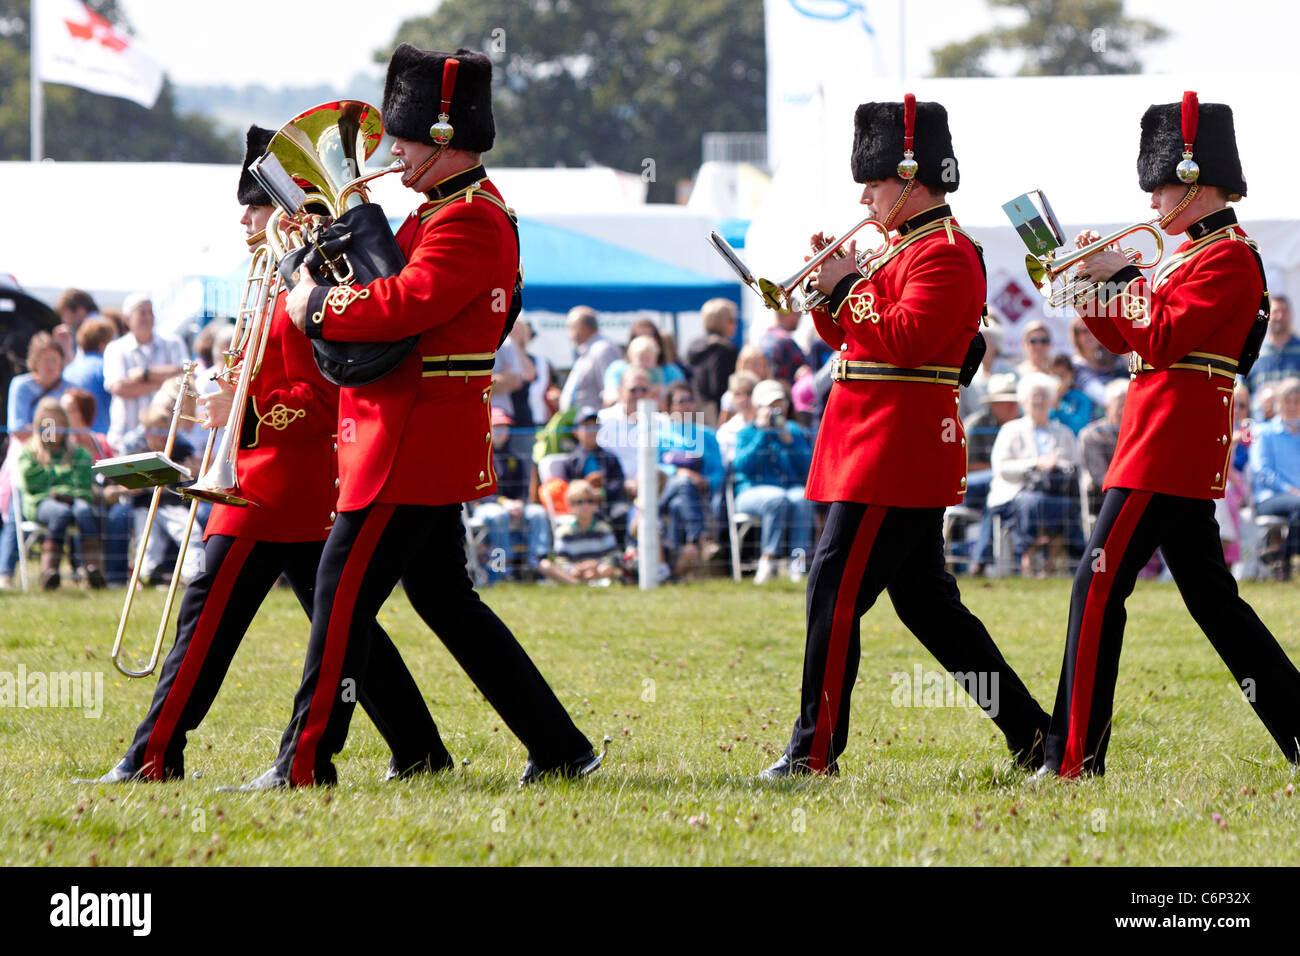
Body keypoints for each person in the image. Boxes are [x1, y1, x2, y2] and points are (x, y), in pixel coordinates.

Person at [263, 45, 600, 789]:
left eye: (407, 141)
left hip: (413, 436)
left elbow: (405, 305)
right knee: (447, 601)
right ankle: (557, 745)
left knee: (340, 593)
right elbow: (388, 282)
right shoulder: (438, 215)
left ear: (444, 138)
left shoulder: (471, 220)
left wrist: (313, 302)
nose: (394, 154)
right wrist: (316, 252)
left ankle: (304, 762)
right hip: (411, 431)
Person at [83, 125, 452, 785]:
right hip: (281, 483)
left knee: (205, 623)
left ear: (288, 207)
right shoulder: (277, 278)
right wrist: (233, 393)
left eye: (255, 207)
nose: (246, 221)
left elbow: (325, 393)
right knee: (343, 631)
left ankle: (154, 756)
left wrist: (245, 411)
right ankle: (419, 749)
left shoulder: (316, 281)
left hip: (272, 488)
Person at [760, 95, 1050, 778]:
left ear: (912, 178)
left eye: (875, 180)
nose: (864, 194)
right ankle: (1034, 732)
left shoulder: (946, 253)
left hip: (894, 450)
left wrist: (849, 285)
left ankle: (813, 752)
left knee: (832, 592)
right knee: (929, 609)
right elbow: (858, 340)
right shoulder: (903, 248)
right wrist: (830, 296)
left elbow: (907, 341)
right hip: (870, 443)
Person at [1035, 93, 1300, 780]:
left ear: (1194, 178)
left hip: (1168, 446)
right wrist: (1090, 288)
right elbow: (1125, 342)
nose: (1152, 201)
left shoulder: (1230, 258)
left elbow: (1161, 335)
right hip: (1156, 437)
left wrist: (1120, 277)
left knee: (1094, 589)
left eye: (1159, 186)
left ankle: (1074, 758)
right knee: (1216, 605)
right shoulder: (1185, 257)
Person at [986, 372, 1085, 576]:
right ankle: (1027, 561)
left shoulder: (1063, 432)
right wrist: (1034, 465)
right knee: (1030, 503)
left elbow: (1076, 465)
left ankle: (1050, 566)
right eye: (1034, 395)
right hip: (1016, 492)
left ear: (1051, 400)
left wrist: (1057, 465)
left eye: (1043, 395)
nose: (1038, 400)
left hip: (1055, 491)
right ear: (1023, 400)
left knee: (1065, 506)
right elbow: (1001, 468)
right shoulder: (1010, 430)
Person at [15, 397, 103, 589]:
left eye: (58, 424)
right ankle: (49, 573)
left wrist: (57, 484)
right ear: (39, 426)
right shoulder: (29, 452)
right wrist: (61, 482)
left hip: (76, 500)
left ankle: (93, 570)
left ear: (65, 425)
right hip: (41, 502)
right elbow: (32, 482)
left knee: (84, 512)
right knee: (60, 513)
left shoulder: (79, 453)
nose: (53, 430)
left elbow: (83, 483)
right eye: (48, 424)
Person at [733, 378, 814, 584]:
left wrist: (790, 443)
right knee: (776, 499)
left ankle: (798, 562)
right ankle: (767, 561)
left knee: (802, 499)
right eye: (771, 407)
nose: (776, 412)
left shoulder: (794, 431)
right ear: (758, 408)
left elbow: (807, 469)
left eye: (780, 406)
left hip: (788, 489)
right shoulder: (747, 433)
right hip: (751, 492)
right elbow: (742, 467)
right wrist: (762, 435)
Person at [472, 407, 551, 582]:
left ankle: (536, 565)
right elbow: (478, 492)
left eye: (504, 427)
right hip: (486, 507)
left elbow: (522, 489)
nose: (501, 432)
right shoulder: (478, 456)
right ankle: (502, 569)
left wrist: (520, 503)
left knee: (537, 513)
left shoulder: (515, 457)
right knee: (498, 515)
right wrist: (503, 502)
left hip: (513, 506)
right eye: (497, 427)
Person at [102, 292, 187, 449]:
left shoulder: (173, 343)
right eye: (142, 312)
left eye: (151, 312)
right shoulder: (115, 349)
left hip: (167, 440)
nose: (148, 317)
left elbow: (185, 375)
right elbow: (119, 387)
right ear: (127, 319)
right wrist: (164, 383)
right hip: (125, 437)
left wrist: (144, 374)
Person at [964, 372, 1021, 575]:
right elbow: (966, 466)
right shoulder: (975, 425)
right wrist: (1002, 469)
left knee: (994, 502)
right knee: (997, 485)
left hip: (1000, 487)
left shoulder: (1019, 425)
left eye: (1014, 402)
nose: (1012, 407)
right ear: (993, 404)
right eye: (1006, 402)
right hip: (970, 487)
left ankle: (980, 562)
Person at [1250, 377, 1300, 580]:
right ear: (1279, 403)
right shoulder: (1265, 432)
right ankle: (1286, 556)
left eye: (1297, 401)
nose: (1293, 406)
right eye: (1288, 401)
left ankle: (1279, 554)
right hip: (1270, 498)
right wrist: (1290, 490)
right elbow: (1261, 470)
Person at [539, 479, 622, 585]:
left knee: (606, 568)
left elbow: (614, 556)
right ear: (570, 506)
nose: (585, 506)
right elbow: (561, 560)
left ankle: (577, 583)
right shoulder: (564, 532)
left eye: (590, 501)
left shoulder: (603, 529)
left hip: (597, 571)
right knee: (545, 565)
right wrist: (573, 570)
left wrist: (595, 565)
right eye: (579, 502)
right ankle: (575, 583)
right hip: (573, 572)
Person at [686, 298, 739, 426]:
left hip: (693, 407)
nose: (735, 325)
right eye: (731, 320)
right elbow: (719, 387)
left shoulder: (694, 346)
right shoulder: (724, 349)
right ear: (720, 322)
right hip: (716, 412)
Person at [559, 305, 620, 412]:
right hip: (581, 424)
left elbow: (611, 392)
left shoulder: (603, 350)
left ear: (582, 328)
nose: (569, 334)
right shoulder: (588, 351)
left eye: (571, 327)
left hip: (594, 424)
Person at [1244, 294, 1300, 411]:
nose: (1280, 316)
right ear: (1268, 316)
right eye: (1275, 312)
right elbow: (1242, 389)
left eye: (1284, 312)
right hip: (1259, 424)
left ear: (1291, 315)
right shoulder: (1253, 351)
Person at [62, 318, 117, 435]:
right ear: (103, 345)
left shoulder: (68, 369)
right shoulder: (106, 366)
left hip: (73, 438)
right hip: (100, 440)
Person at [53, 288, 98, 364]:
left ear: (80, 311)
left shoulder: (94, 330)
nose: (63, 320)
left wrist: (66, 347)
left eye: (64, 315)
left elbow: (79, 370)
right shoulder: (100, 323)